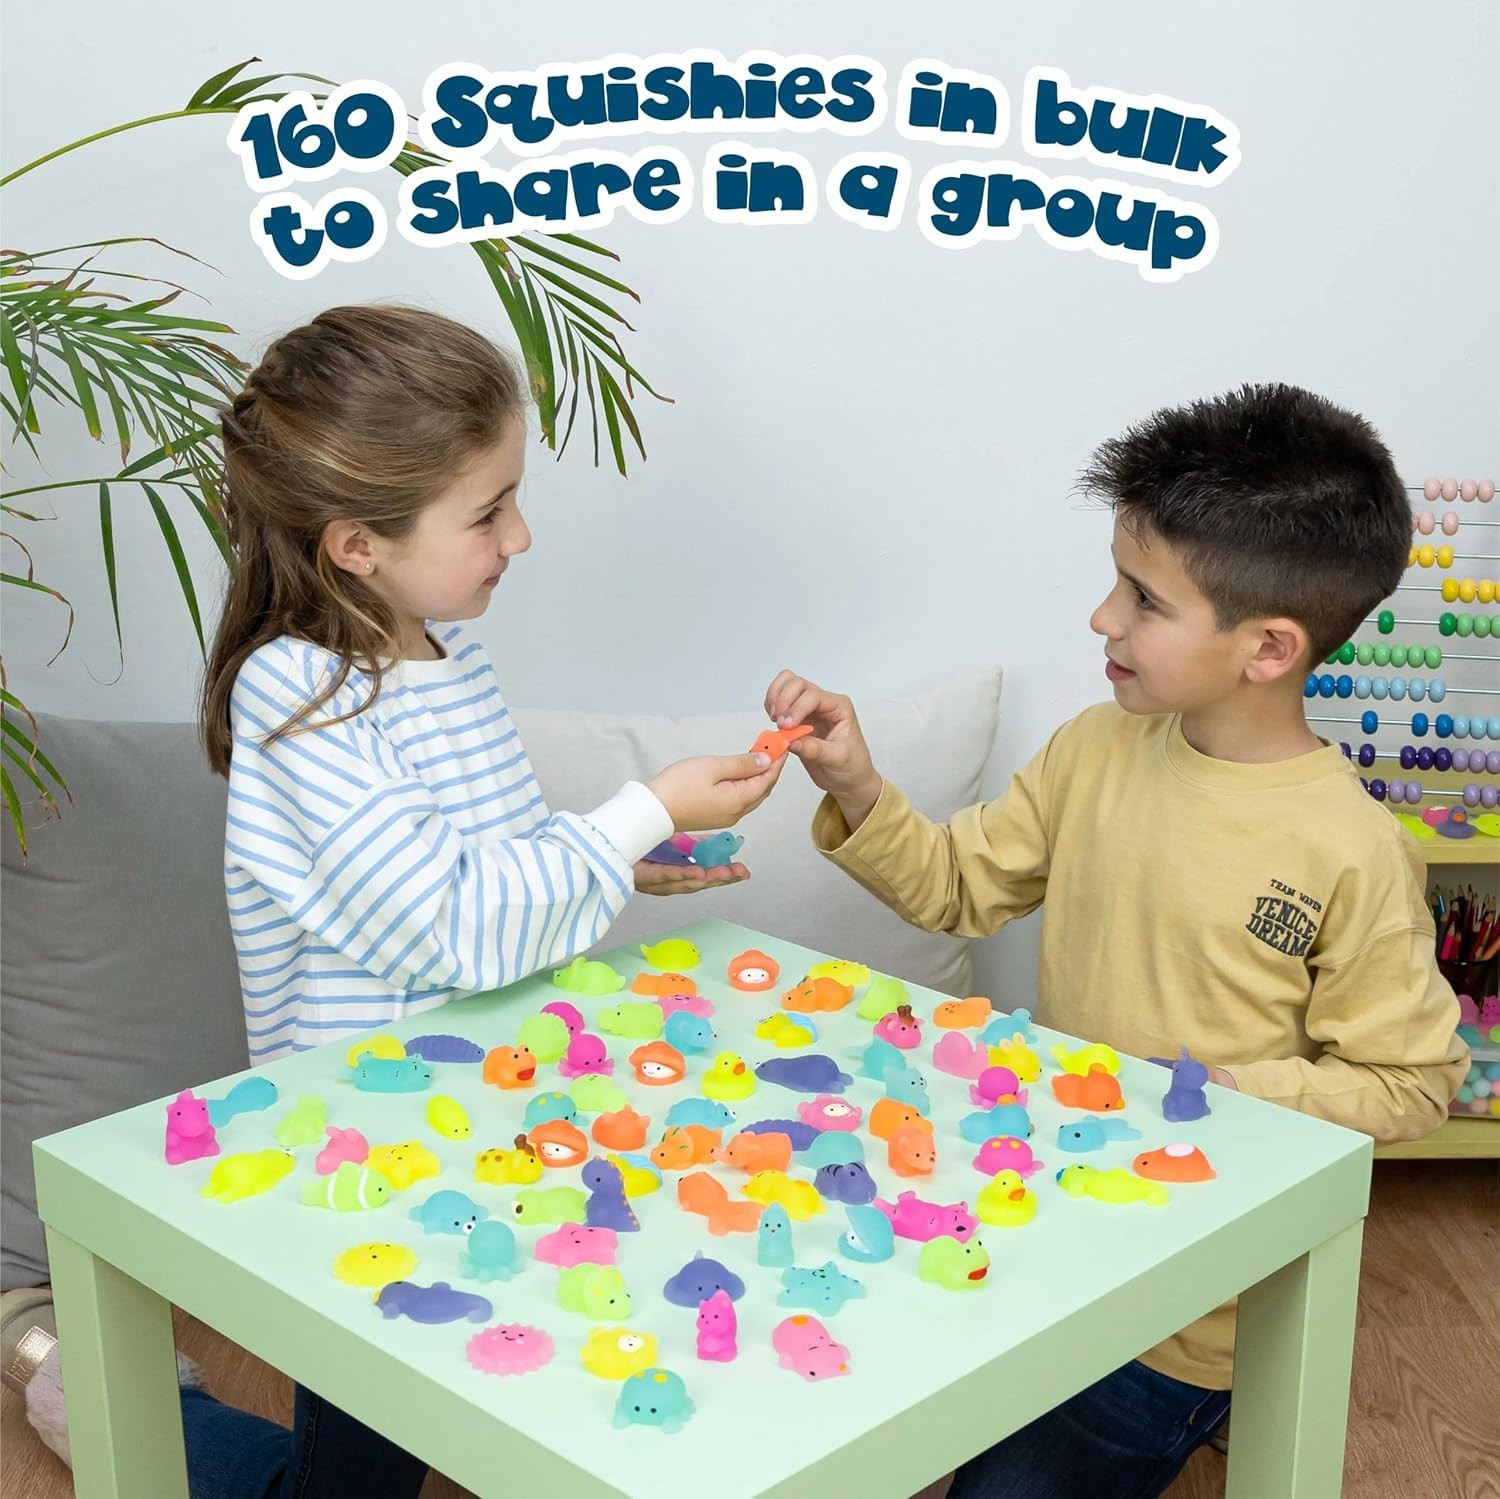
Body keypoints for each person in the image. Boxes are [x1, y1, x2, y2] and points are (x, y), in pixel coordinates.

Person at [19, 303, 783, 1496]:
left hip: (489, 1119)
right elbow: (457, 924)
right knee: (350, 1480)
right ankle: (114, 1405)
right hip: (370, 1160)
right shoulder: (298, 701)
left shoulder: (443, 656)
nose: (520, 536)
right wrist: (635, 810)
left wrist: (619, 856)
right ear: (356, 545)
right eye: (488, 511)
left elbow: (470, 863)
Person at [764, 382, 1468, 1499]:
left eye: (1143, 598)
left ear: (1268, 646)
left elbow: (1413, 1080)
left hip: (1195, 1306)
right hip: (1048, 1229)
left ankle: (1221, 1403)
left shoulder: (1352, 849)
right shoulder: (1094, 748)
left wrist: (1221, 1089)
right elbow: (955, 884)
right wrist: (855, 783)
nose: (1102, 618)